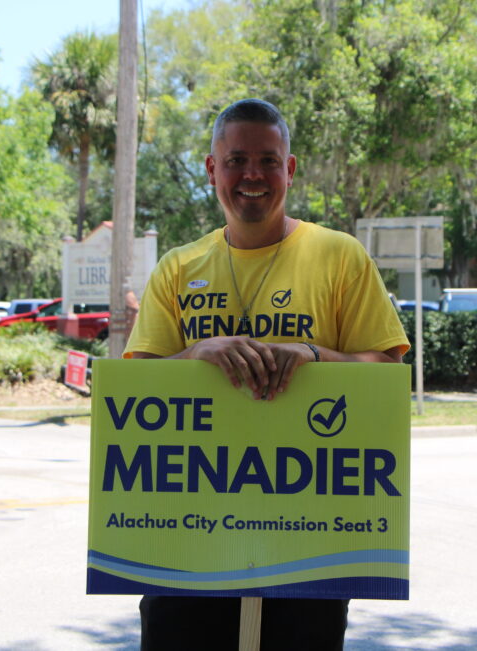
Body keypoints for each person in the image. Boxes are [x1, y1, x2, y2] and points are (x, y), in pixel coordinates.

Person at [124, 98, 410, 650]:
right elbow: (137, 389)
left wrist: (313, 354)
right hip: (187, 543)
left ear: (290, 168)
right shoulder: (179, 269)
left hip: (308, 542)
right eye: (235, 160)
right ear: (212, 169)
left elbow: (387, 373)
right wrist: (196, 353)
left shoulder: (340, 257)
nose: (252, 175)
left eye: (268, 160)